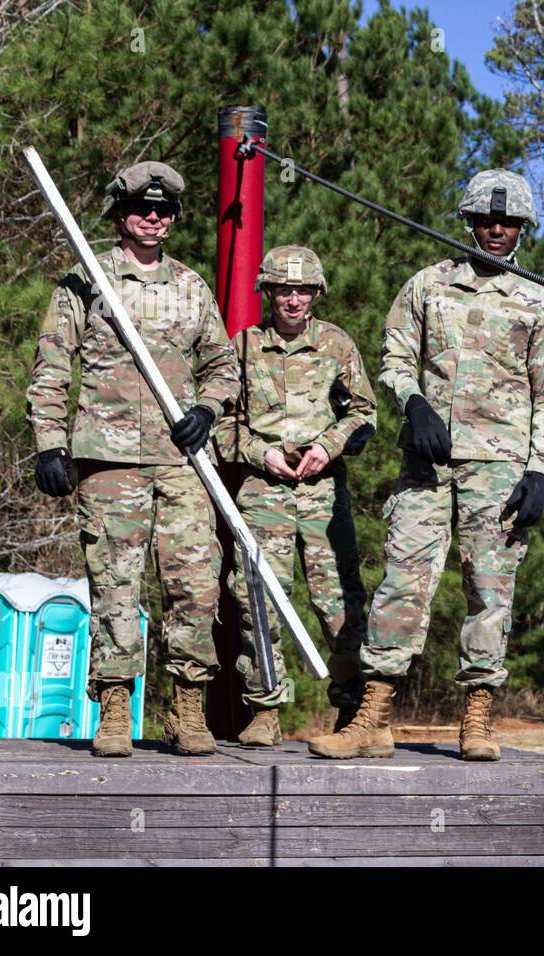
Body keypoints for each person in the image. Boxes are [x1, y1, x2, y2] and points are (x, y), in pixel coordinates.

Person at [308, 170, 544, 761]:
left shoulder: (541, 303)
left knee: (490, 591)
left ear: (524, 228)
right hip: (428, 463)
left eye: (508, 222)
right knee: (402, 583)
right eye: (485, 220)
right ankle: (371, 719)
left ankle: (477, 720)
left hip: (501, 468)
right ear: (468, 222)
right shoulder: (427, 286)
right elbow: (395, 356)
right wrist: (415, 401)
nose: (496, 230)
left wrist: (542, 470)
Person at [26, 161, 239, 757]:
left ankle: (187, 707)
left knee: (193, 585)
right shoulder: (85, 280)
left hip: (183, 464)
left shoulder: (192, 287)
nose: (153, 217)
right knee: (116, 585)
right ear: (120, 214)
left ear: (173, 218)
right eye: (142, 209)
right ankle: (115, 704)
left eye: (164, 210)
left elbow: (223, 366)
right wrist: (50, 444)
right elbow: (50, 367)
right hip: (108, 460)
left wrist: (209, 409)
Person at [216, 245, 377, 746]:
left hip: (323, 494)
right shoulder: (242, 346)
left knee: (341, 604)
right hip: (262, 493)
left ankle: (355, 711)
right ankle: (265, 709)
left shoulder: (337, 344)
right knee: (257, 600)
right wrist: (257, 451)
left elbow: (365, 414)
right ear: (268, 292)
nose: (293, 300)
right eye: (284, 290)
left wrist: (328, 448)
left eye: (303, 290)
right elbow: (219, 423)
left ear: (316, 294)